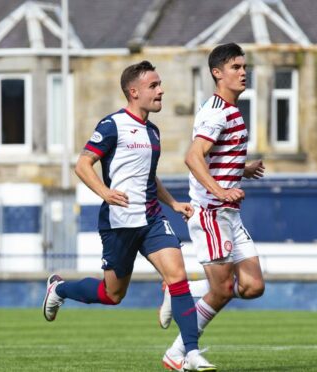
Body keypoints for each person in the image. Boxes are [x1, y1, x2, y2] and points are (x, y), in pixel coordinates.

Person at [41, 60, 216, 372]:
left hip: (151, 218)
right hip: (119, 222)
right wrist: (105, 193)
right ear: (134, 92)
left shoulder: (153, 131)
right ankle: (59, 289)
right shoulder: (111, 125)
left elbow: (148, 177)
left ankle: (189, 353)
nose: (161, 90)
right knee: (112, 294)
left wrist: (173, 204)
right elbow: (83, 165)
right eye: (154, 86)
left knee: (177, 277)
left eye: (160, 84)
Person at [159, 43, 266, 369]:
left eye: (244, 66)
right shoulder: (218, 111)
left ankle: (182, 288)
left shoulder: (230, 110)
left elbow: (215, 156)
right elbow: (193, 156)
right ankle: (177, 353)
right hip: (211, 213)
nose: (243, 72)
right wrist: (221, 190)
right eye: (235, 67)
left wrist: (241, 169)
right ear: (217, 73)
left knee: (252, 286)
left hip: (229, 213)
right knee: (222, 290)